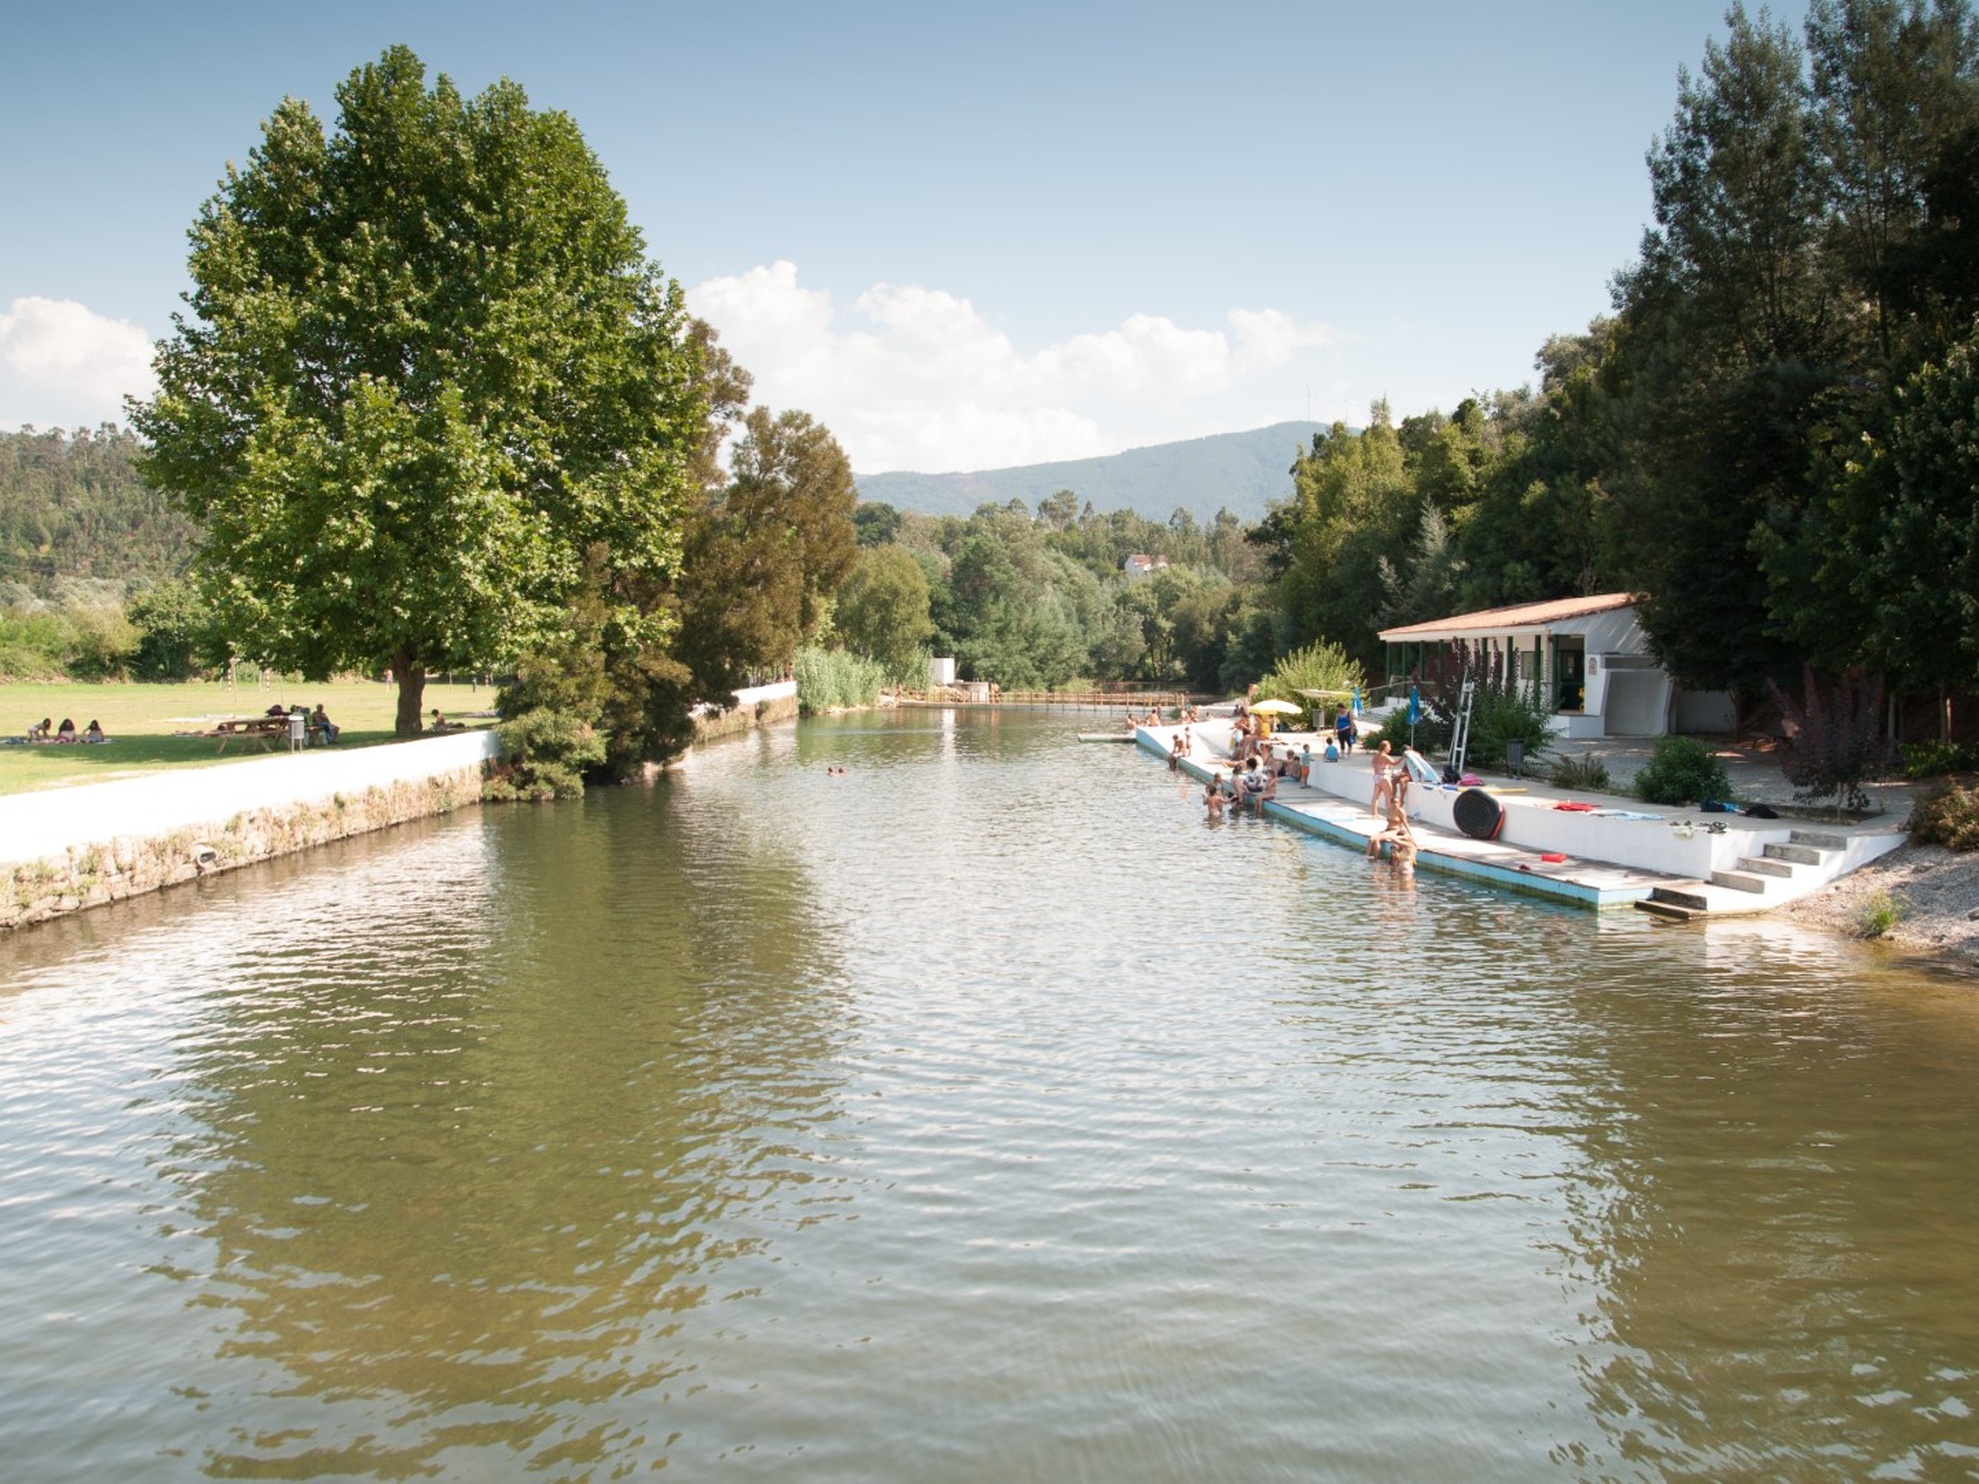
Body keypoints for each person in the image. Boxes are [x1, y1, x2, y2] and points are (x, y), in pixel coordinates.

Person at [1370, 740, 1395, 817]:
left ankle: (1374, 813)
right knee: (1388, 796)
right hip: (1384, 776)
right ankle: (1391, 813)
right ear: (1385, 747)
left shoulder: (1376, 756)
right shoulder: (1385, 756)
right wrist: (1404, 757)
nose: (1390, 749)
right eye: (1389, 747)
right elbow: (1394, 763)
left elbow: (1373, 765)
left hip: (1377, 776)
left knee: (1375, 796)